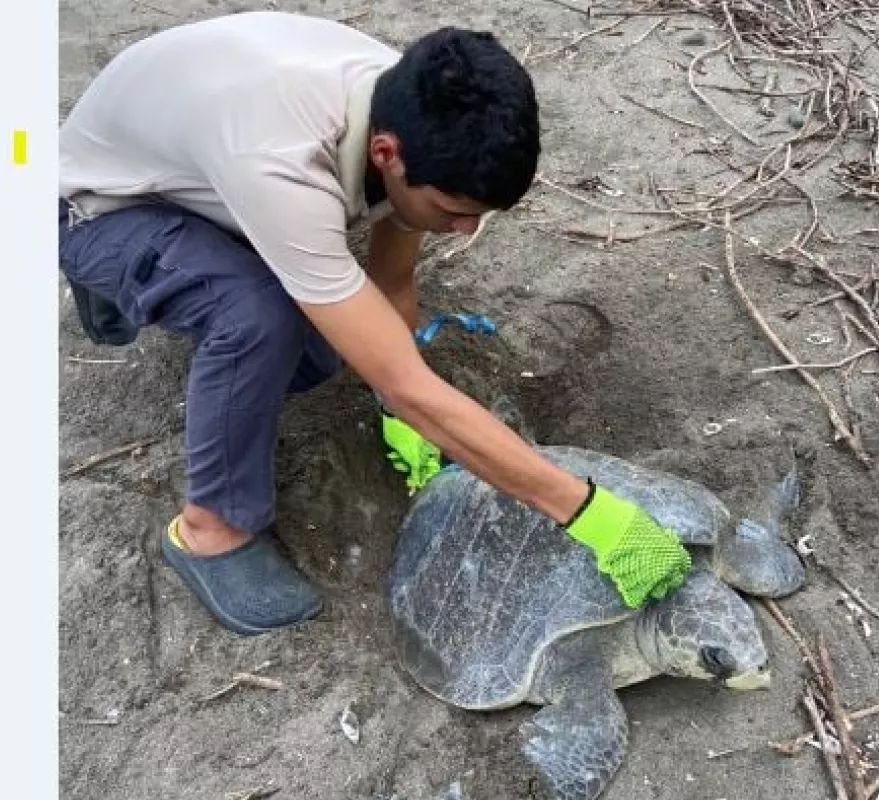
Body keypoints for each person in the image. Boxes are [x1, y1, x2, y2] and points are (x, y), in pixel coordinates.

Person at [58, 11, 692, 636]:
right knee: (260, 318)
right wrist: (588, 514)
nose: (466, 230)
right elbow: (405, 384)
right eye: (453, 210)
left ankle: (195, 270)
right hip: (101, 201)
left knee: (320, 352)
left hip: (199, 161)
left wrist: (397, 396)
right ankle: (207, 529)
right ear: (385, 153)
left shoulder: (408, 100)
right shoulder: (281, 158)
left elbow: (391, 282)